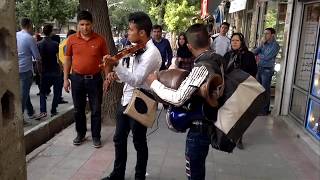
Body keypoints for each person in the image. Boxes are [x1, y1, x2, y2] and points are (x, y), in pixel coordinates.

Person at [146, 23, 224, 180]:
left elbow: (178, 98)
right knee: (198, 170)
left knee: (194, 174)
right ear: (209, 41)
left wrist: (154, 82)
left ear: (189, 46)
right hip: (209, 123)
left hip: (200, 129)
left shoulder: (202, 67)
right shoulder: (218, 59)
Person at [102, 12, 162, 180]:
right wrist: (115, 75)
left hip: (141, 100)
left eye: (130, 29)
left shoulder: (152, 53)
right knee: (118, 139)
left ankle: (139, 176)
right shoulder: (133, 49)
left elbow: (136, 79)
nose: (128, 33)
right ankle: (117, 174)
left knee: (139, 141)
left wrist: (116, 66)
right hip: (126, 99)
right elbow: (127, 76)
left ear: (142, 32)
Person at [63, 10, 109, 148]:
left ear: (92, 24)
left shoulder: (100, 40)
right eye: (82, 24)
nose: (85, 27)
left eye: (87, 24)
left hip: (95, 79)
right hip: (76, 79)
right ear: (78, 25)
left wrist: (107, 78)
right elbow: (67, 60)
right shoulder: (71, 40)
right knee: (78, 109)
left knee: (96, 109)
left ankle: (96, 136)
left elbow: (106, 60)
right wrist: (66, 79)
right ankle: (81, 134)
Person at [223, 32, 257, 149]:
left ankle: (239, 138)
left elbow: (253, 72)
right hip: (229, 88)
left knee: (241, 114)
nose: (234, 43)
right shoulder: (227, 55)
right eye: (233, 41)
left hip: (243, 88)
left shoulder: (249, 55)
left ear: (241, 42)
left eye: (237, 40)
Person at [16, 18, 41, 124]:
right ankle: (19, 120)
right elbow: (37, 57)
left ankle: (30, 112)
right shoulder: (30, 38)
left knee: (23, 92)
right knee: (23, 94)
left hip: (14, 69)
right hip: (25, 69)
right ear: (29, 25)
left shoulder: (16, 35)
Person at [36, 24, 61, 119]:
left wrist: (39, 71)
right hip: (55, 70)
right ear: (51, 32)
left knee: (42, 92)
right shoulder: (55, 44)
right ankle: (53, 109)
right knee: (57, 91)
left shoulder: (39, 44)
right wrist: (61, 69)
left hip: (44, 71)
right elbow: (59, 59)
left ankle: (43, 111)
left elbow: (38, 60)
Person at [253, 28, 280, 115]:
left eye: (267, 33)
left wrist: (259, 55)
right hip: (259, 68)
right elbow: (254, 52)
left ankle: (264, 110)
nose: (265, 35)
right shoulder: (263, 44)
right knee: (258, 90)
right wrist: (261, 45)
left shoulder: (275, 45)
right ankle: (258, 108)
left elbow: (267, 57)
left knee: (265, 90)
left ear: (272, 35)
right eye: (264, 33)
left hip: (267, 70)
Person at [57, 29, 77, 104]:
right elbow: (70, 58)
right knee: (76, 88)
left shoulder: (61, 43)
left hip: (65, 68)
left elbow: (59, 58)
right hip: (73, 69)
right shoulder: (70, 43)